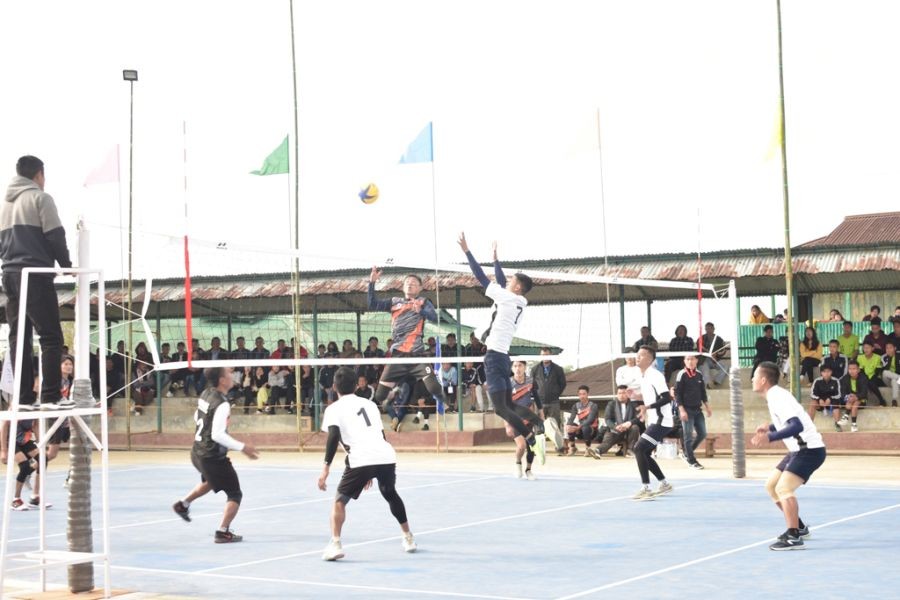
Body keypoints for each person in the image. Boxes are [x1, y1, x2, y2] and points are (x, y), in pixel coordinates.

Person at [458, 233, 542, 463]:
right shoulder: (518, 301)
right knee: (510, 405)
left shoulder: (506, 297)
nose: (506, 281)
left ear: (516, 287)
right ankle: (538, 424)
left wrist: (467, 251)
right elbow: (501, 283)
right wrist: (496, 261)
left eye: (511, 280)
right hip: (503, 357)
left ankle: (530, 437)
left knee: (501, 409)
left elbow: (480, 278)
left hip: (494, 358)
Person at [318, 367, 417, 561]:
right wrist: (370, 471)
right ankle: (408, 537)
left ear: (334, 386)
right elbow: (380, 435)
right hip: (385, 455)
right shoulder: (369, 405)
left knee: (339, 501)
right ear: (356, 385)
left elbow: (333, 437)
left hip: (361, 459)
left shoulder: (333, 409)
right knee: (390, 493)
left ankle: (335, 544)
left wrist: (325, 468)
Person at [1, 156, 73, 410]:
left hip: (9, 274)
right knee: (51, 336)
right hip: (35, 273)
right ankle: (52, 396)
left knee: (18, 336)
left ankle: (23, 398)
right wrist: (66, 265)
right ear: (39, 174)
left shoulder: (5, 205)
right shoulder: (40, 198)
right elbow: (55, 235)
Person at [172, 367, 259, 543]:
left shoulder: (205, 393)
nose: (232, 376)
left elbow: (197, 415)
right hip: (212, 457)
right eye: (228, 374)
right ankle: (222, 531)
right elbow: (217, 435)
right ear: (222, 380)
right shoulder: (222, 403)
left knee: (211, 481)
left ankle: (183, 504)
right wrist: (243, 447)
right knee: (235, 493)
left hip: (197, 452)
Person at [750, 361, 825, 551]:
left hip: (809, 450)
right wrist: (771, 426)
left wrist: (770, 436)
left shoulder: (777, 396)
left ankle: (793, 537)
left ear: (764, 380)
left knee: (784, 488)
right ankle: (799, 527)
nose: (752, 379)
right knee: (772, 486)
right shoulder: (775, 395)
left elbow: (797, 426)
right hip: (798, 449)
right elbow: (791, 421)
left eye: (755, 376)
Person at [367, 267, 445, 409]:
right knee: (380, 396)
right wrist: (371, 283)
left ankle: (442, 401)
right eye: (408, 282)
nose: (410, 284)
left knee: (434, 387)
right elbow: (372, 304)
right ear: (403, 287)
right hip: (398, 356)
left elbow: (434, 317)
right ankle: (394, 394)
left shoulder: (424, 302)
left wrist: (420, 311)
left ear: (420, 288)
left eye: (414, 283)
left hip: (417, 355)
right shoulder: (394, 302)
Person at [631, 345, 675, 501]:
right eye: (637, 355)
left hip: (662, 421)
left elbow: (666, 398)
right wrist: (638, 398)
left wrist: (648, 407)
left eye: (641, 355)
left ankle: (646, 488)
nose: (637, 357)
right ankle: (664, 483)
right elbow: (651, 397)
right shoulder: (642, 376)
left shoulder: (655, 375)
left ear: (650, 359)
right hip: (654, 420)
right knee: (644, 452)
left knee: (638, 448)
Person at [674, 354, 710, 469]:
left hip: (697, 409)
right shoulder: (682, 374)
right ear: (684, 361)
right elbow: (677, 393)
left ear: (696, 360)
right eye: (688, 359)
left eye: (692, 359)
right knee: (688, 436)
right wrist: (681, 410)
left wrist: (707, 406)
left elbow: (702, 392)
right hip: (686, 409)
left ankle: (686, 453)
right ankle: (692, 461)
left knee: (702, 433)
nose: (690, 361)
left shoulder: (699, 374)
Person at [509, 360, 543, 480]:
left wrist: (541, 414)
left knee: (531, 446)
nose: (517, 368)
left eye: (520, 366)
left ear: (525, 367)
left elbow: (537, 399)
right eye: (515, 366)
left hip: (529, 418)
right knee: (521, 446)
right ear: (512, 368)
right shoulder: (508, 383)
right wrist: (507, 425)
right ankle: (518, 463)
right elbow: (503, 406)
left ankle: (528, 470)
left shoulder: (530, 381)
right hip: (514, 419)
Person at [531, 347, 566, 452]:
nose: (545, 357)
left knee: (555, 425)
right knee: (538, 425)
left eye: (547, 355)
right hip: (539, 402)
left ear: (551, 355)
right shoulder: (535, 369)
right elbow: (531, 384)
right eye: (543, 355)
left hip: (553, 402)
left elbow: (563, 384)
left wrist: (555, 393)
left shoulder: (558, 369)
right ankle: (539, 448)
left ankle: (559, 447)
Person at [590, 385, 640, 458]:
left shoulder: (633, 404)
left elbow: (638, 418)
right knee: (608, 440)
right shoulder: (611, 404)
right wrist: (615, 426)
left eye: (623, 393)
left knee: (635, 427)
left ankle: (630, 451)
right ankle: (598, 451)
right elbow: (607, 419)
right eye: (619, 393)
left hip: (629, 430)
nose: (621, 395)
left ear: (628, 394)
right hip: (615, 429)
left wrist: (629, 423)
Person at [564, 385, 599, 457]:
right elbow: (571, 417)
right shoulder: (576, 405)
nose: (582, 396)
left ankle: (588, 449)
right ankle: (573, 447)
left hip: (592, 431)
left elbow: (590, 420)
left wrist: (578, 428)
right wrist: (568, 425)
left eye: (584, 394)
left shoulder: (593, 405)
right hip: (580, 430)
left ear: (588, 394)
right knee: (571, 426)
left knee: (585, 426)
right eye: (580, 394)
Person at [807, 364, 843, 432]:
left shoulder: (836, 381)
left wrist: (830, 399)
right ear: (821, 373)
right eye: (824, 372)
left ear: (831, 372)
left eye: (828, 371)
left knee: (836, 403)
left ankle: (837, 424)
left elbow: (839, 394)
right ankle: (809, 425)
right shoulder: (817, 381)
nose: (826, 374)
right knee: (813, 403)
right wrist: (819, 399)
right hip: (820, 402)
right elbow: (812, 394)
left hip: (831, 402)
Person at [839, 361, 868, 432]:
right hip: (849, 399)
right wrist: (848, 397)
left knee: (855, 404)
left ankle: (848, 418)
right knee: (850, 401)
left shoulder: (863, 378)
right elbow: (842, 392)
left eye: (854, 369)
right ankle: (852, 424)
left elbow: (864, 393)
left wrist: (856, 397)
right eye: (850, 369)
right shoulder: (845, 378)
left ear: (858, 370)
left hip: (861, 399)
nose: (851, 371)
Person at [698, 322, 729, 387]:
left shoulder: (719, 339)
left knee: (725, 367)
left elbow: (723, 351)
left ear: (713, 329)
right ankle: (708, 384)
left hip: (715, 360)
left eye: (710, 328)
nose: (708, 330)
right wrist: (708, 353)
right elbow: (699, 350)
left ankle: (717, 381)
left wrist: (716, 354)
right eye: (707, 329)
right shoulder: (701, 338)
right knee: (704, 368)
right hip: (704, 360)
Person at [856, 342, 887, 406]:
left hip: (874, 377)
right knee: (867, 382)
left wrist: (871, 378)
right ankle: (881, 400)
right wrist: (866, 378)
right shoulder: (860, 357)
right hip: (863, 377)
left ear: (872, 348)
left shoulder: (878, 357)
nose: (866, 349)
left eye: (868, 348)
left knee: (871, 382)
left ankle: (880, 400)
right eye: (864, 348)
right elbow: (861, 371)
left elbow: (877, 370)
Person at [881, 341, 899, 407]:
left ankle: (894, 401)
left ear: (895, 348)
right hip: (887, 380)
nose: (888, 350)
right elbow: (884, 369)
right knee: (885, 372)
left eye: (890, 348)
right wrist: (889, 358)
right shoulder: (884, 357)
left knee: (894, 380)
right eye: (887, 348)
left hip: (897, 382)